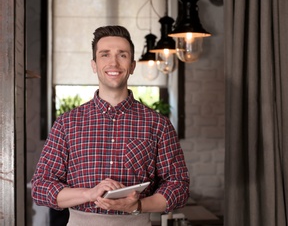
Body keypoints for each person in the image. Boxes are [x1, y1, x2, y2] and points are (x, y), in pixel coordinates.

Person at [31, 25, 190, 226]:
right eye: (104, 55)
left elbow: (179, 187)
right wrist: (89, 194)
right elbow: (41, 187)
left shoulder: (158, 124)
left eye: (122, 55)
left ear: (132, 65)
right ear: (94, 64)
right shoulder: (67, 123)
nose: (113, 62)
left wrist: (136, 206)